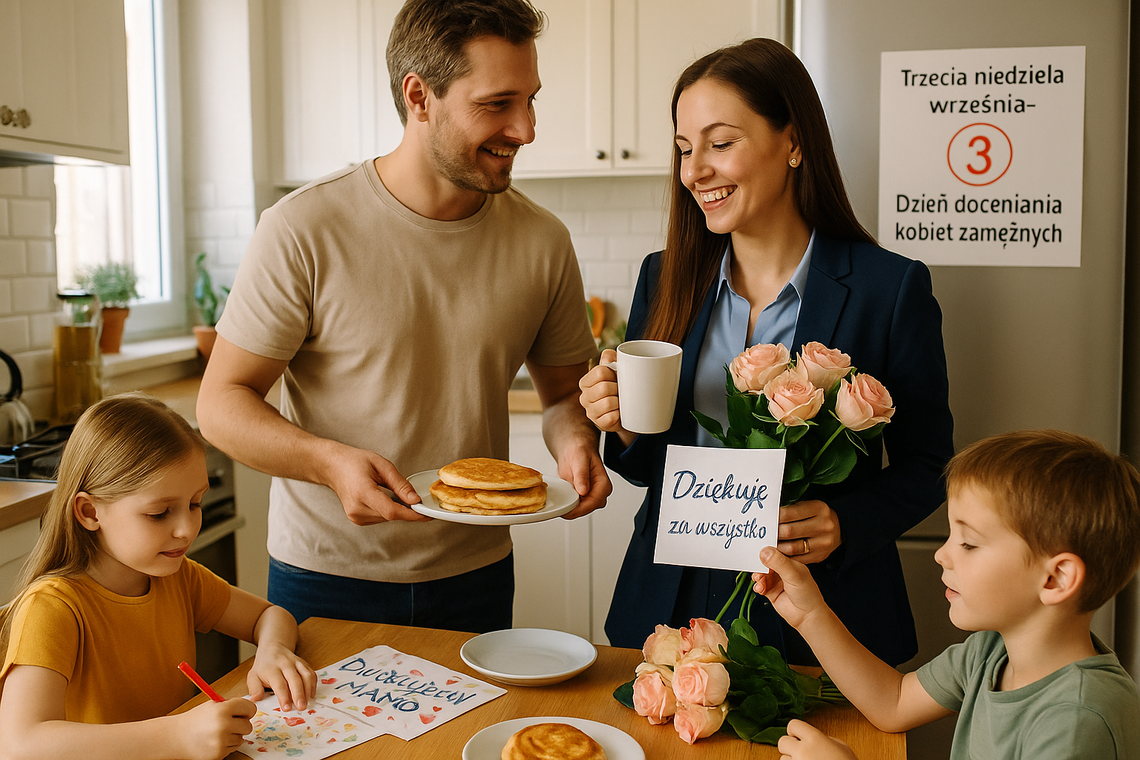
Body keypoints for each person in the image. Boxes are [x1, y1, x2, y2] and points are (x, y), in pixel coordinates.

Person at [196, 0, 609, 633]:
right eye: (497, 104)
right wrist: (329, 463)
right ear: (420, 96)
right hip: (326, 575)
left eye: (530, 100)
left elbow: (561, 399)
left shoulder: (542, 241)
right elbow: (221, 404)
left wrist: (577, 440)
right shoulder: (303, 229)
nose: (526, 129)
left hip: (477, 573)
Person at [579, 37, 953, 664]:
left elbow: (929, 462)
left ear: (794, 142)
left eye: (720, 144)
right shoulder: (663, 276)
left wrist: (847, 522)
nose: (694, 170)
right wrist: (618, 426)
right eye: (683, 149)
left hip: (823, 609)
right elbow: (648, 464)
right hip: (672, 598)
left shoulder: (889, 289)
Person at [753, 429, 1140, 759]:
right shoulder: (990, 652)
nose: (942, 554)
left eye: (969, 543)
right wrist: (809, 614)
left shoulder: (1076, 721)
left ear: (1055, 579)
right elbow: (894, 703)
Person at [0, 394, 316, 760]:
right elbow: (20, 745)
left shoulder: (178, 579)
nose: (185, 529)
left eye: (194, 504)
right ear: (89, 512)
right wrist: (178, 735)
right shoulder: (53, 608)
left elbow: (270, 616)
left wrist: (272, 650)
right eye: (160, 512)